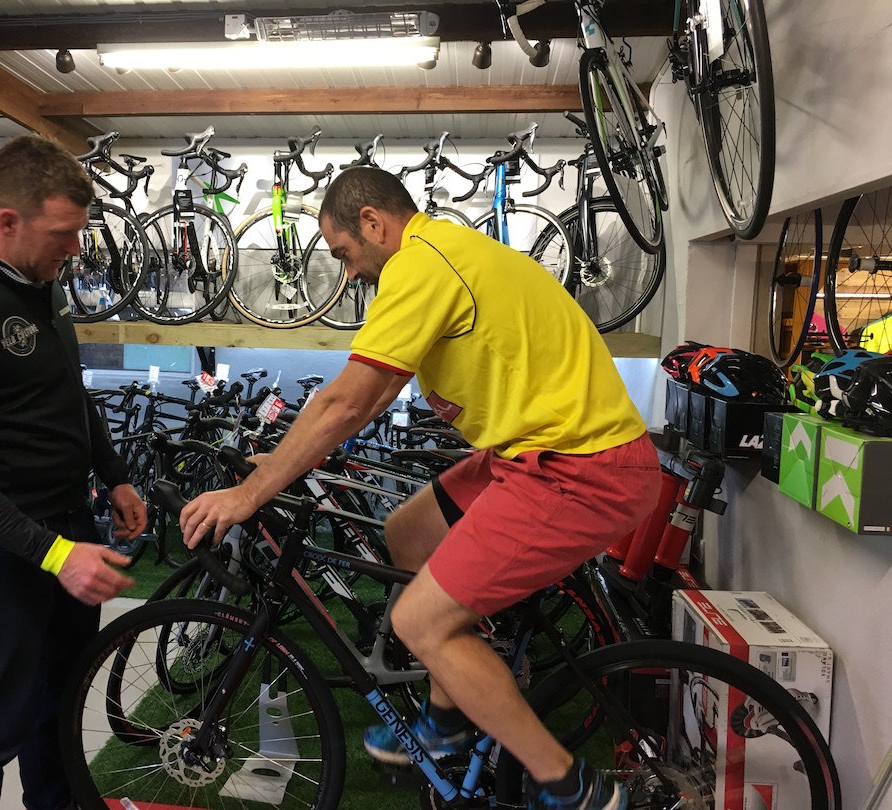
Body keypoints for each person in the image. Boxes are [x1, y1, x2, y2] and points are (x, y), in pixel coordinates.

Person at [180, 166, 661, 810]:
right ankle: (454, 708)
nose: (347, 272)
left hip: (579, 464)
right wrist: (286, 462)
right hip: (530, 452)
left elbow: (346, 403)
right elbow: (372, 395)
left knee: (416, 622)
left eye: (344, 253)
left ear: (374, 223)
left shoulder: (418, 265)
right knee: (406, 532)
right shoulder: (440, 253)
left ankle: (571, 787)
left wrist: (251, 493)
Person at [0, 134, 146, 810]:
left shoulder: (42, 286)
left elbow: (67, 390)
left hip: (71, 523)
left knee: (60, 712)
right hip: (3, 552)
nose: (74, 250)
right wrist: (55, 554)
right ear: (6, 222)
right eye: (62, 234)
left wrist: (114, 473)